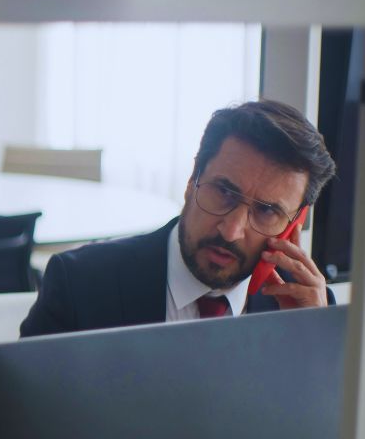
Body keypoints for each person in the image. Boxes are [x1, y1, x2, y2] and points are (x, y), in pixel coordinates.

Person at [21, 99, 337, 338]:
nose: (231, 231)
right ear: (192, 180)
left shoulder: (306, 309)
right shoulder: (79, 285)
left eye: (267, 211)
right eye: (224, 191)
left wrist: (312, 344)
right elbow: (22, 418)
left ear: (293, 224)